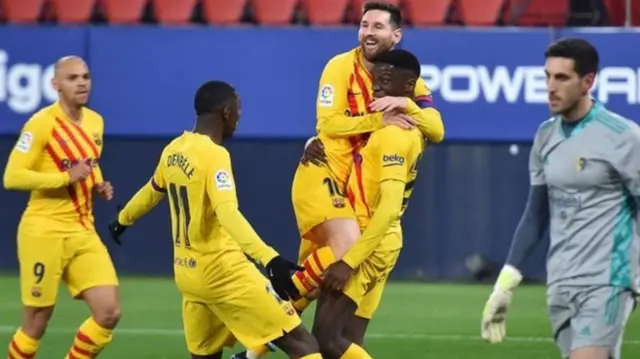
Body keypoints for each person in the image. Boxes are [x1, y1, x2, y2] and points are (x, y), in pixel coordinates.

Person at [235, 4, 444, 359]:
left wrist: (407, 108)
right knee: (341, 261)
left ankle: (258, 342)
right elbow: (328, 125)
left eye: (377, 26)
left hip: (359, 202)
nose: (368, 32)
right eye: (364, 25)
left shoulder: (403, 77)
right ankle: (281, 296)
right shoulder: (339, 67)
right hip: (324, 174)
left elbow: (437, 128)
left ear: (396, 36)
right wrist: (380, 121)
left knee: (344, 332)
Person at [107, 81, 323, 359]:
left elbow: (152, 191)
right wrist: (269, 258)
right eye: (238, 109)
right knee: (303, 344)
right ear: (226, 112)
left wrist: (122, 220)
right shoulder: (215, 155)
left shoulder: (174, 149)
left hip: (188, 275)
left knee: (206, 356)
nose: (239, 116)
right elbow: (228, 213)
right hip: (223, 271)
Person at [481, 38, 639, 359]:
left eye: (562, 78)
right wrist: (504, 286)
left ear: (588, 82)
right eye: (547, 77)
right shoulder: (545, 136)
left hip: (608, 280)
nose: (551, 87)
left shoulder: (623, 136)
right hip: (561, 283)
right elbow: (535, 215)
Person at [307, 48, 428, 359]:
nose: (376, 84)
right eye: (376, 76)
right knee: (347, 337)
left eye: (387, 78)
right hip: (374, 240)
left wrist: (348, 263)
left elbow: (387, 209)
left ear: (409, 86)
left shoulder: (394, 136)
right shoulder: (398, 128)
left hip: (369, 243)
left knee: (327, 338)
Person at [3, 56, 120, 359]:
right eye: (72, 78)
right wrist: (64, 178)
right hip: (44, 231)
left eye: (85, 76)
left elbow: (88, 164)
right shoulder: (41, 124)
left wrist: (98, 183)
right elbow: (12, 177)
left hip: (82, 230)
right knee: (36, 324)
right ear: (55, 85)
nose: (82, 82)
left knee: (108, 312)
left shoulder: (96, 122)